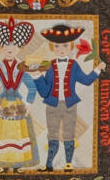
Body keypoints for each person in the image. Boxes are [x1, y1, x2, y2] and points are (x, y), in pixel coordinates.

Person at [25, 30, 102, 170]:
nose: (61, 50)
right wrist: (37, 76)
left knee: (69, 132)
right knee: (52, 133)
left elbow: (85, 80)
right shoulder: (49, 66)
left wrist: (97, 70)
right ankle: (49, 163)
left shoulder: (74, 65)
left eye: (65, 46)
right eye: (57, 46)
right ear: (52, 47)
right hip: (52, 105)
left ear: (71, 46)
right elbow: (44, 92)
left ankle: (68, 162)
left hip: (69, 104)